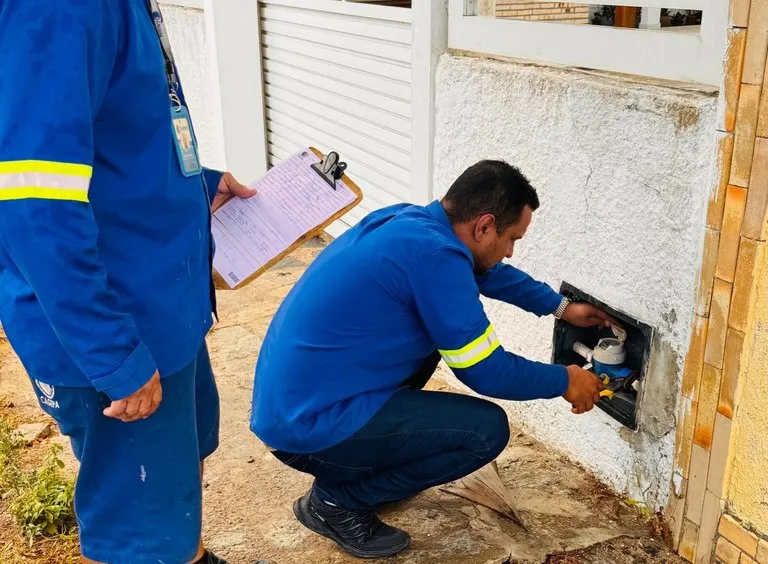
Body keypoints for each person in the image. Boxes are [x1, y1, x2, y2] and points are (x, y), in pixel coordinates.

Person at [0, 2, 273, 563]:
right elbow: (36, 206)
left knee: (169, 492)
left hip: (162, 310)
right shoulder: (61, 9)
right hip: (120, 325)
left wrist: (197, 184)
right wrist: (115, 356)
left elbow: (120, 133)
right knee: (137, 527)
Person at [250, 160, 614, 559]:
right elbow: (486, 371)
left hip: (293, 404)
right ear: (485, 226)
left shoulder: (412, 223)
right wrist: (565, 380)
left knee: (429, 349)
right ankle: (337, 502)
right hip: (307, 427)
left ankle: (359, 472)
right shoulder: (435, 258)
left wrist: (560, 307)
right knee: (485, 432)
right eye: (512, 239)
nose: (510, 252)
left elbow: (485, 272)